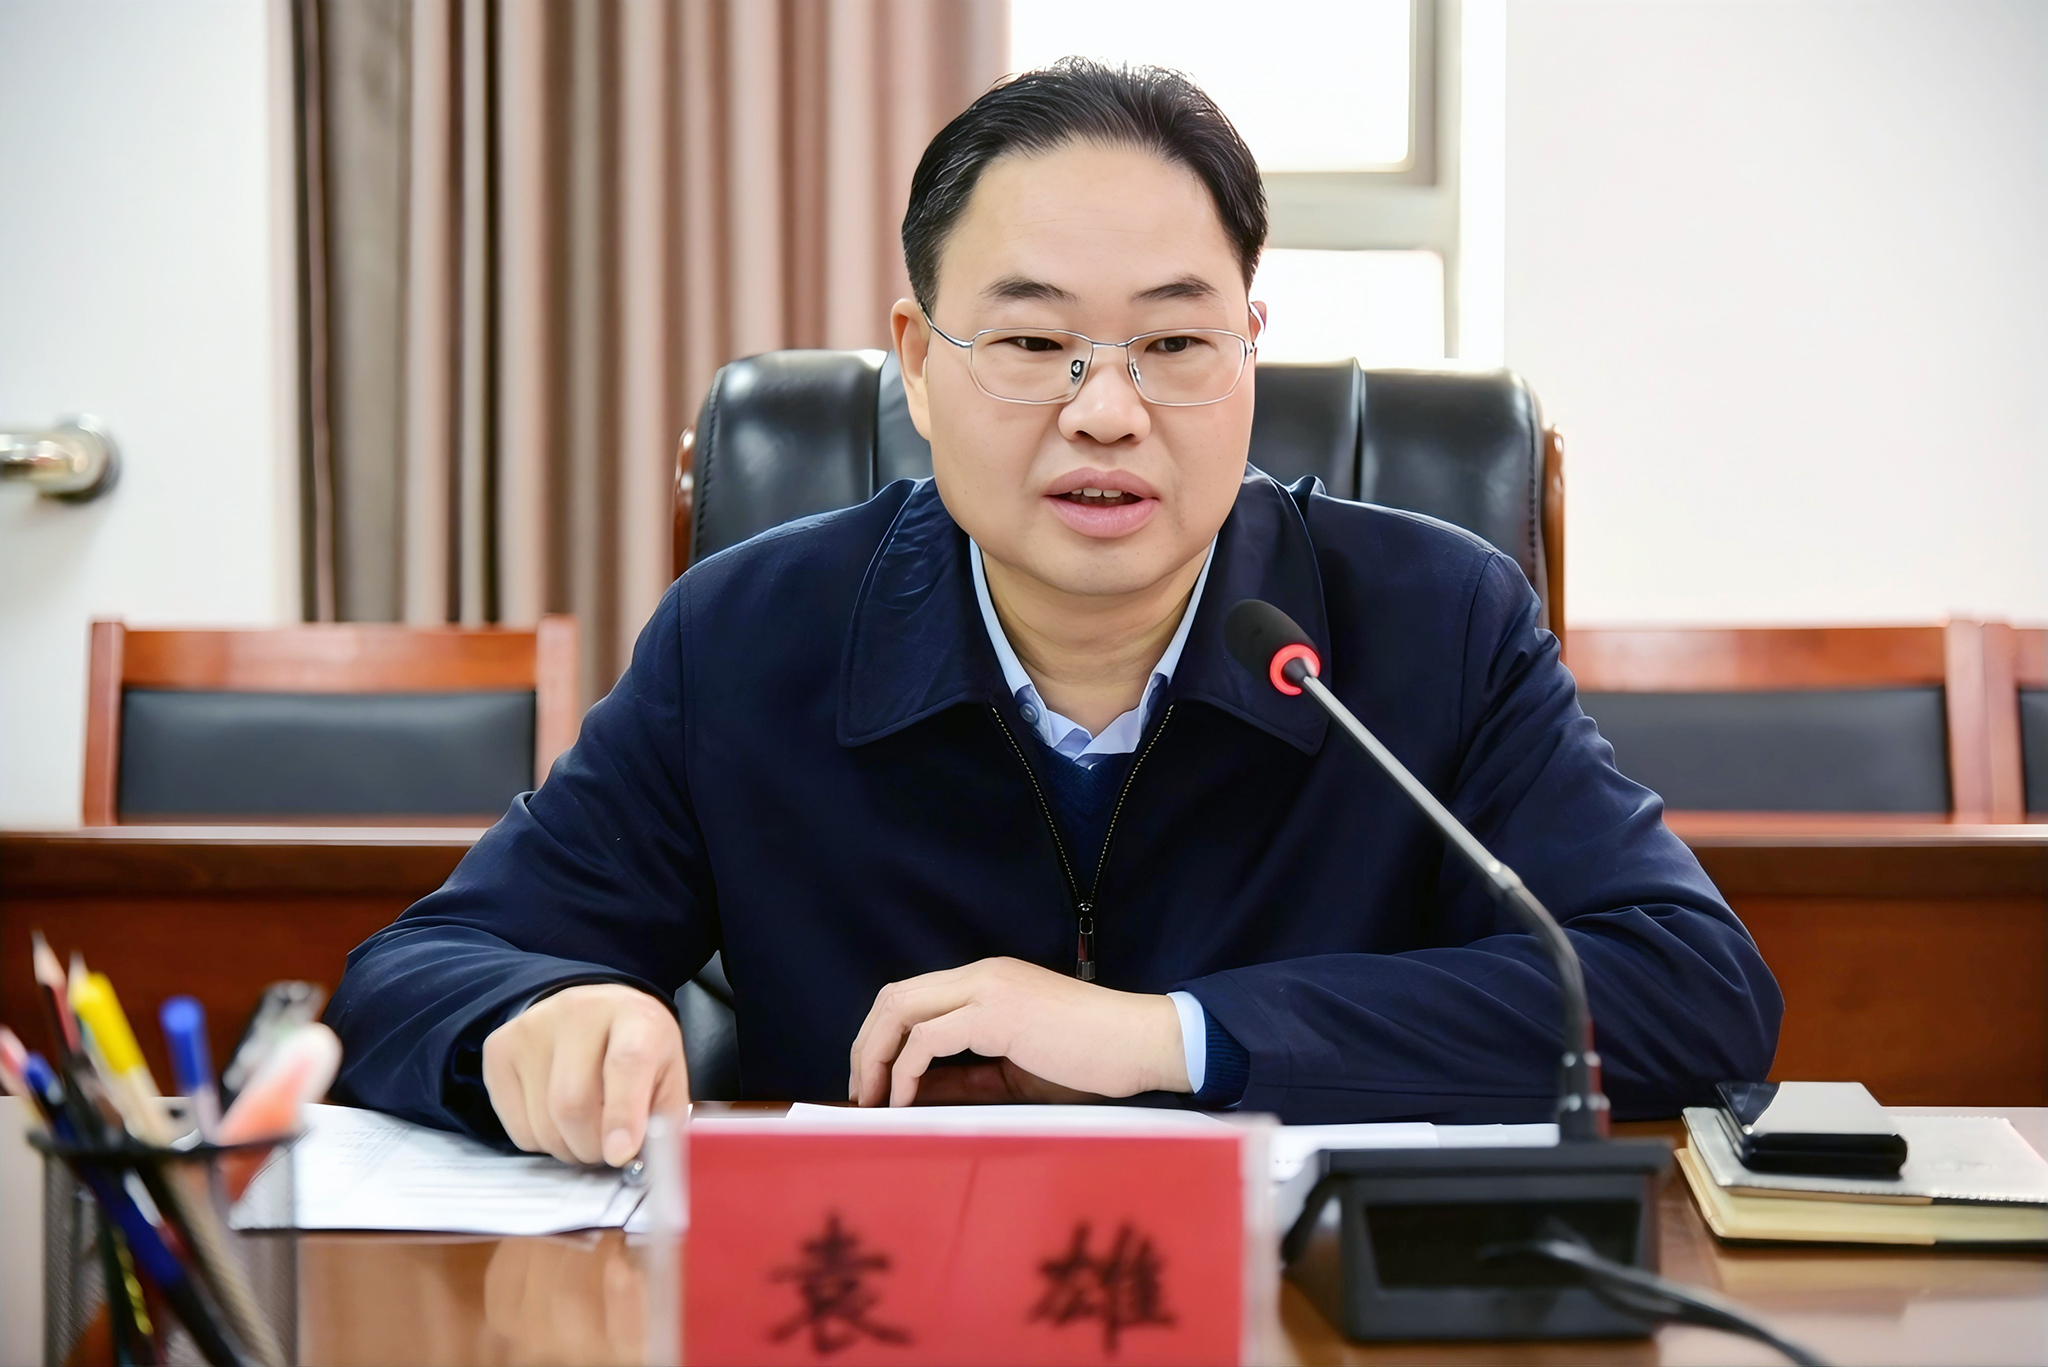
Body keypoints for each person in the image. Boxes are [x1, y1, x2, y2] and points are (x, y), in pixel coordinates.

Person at [326, 60, 1781, 1168]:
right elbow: (412, 975)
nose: (1106, 412)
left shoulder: (1431, 623)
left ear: (1249, 352)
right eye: (1033, 341)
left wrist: (1170, 1039)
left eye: (1173, 340)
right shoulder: (751, 637)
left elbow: (1690, 991)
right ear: (918, 360)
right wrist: (532, 1027)